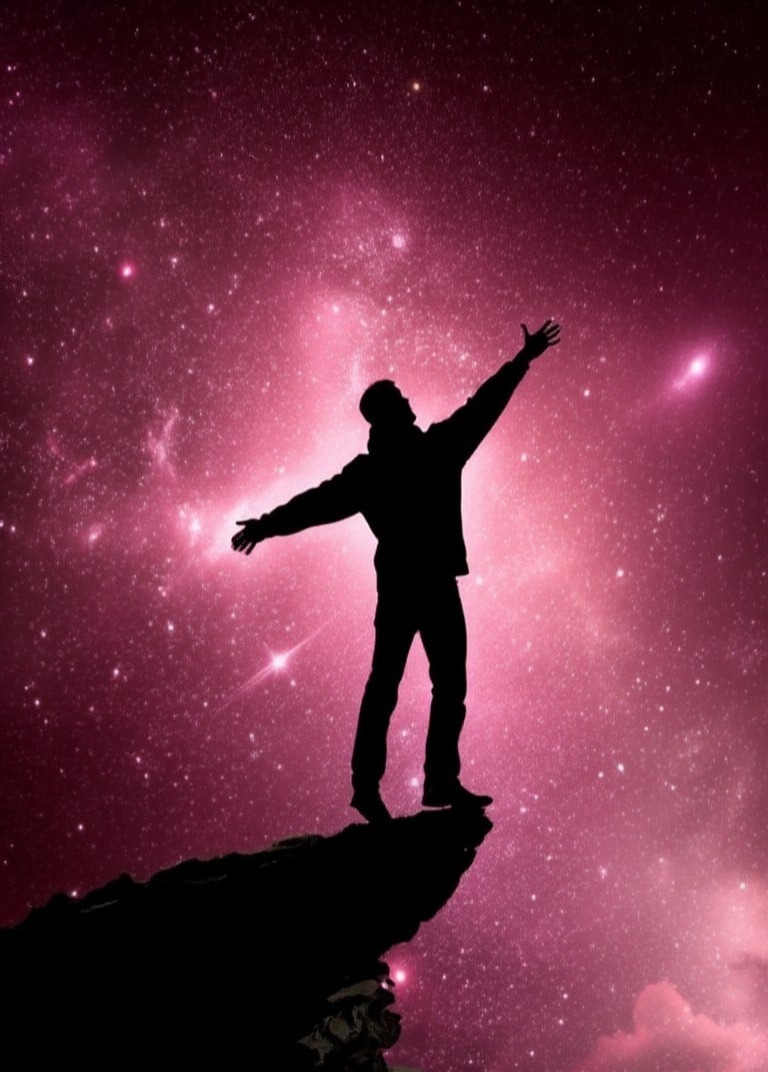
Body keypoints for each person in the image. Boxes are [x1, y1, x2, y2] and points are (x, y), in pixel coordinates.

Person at [232, 320, 560, 821]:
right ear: (388, 413)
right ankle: (390, 785)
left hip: (421, 584)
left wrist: (521, 362)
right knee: (406, 684)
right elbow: (316, 503)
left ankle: (418, 782)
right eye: (400, 399)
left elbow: (483, 405)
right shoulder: (422, 454)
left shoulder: (411, 457)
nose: (409, 402)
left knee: (424, 684)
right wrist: (267, 524)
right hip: (418, 586)